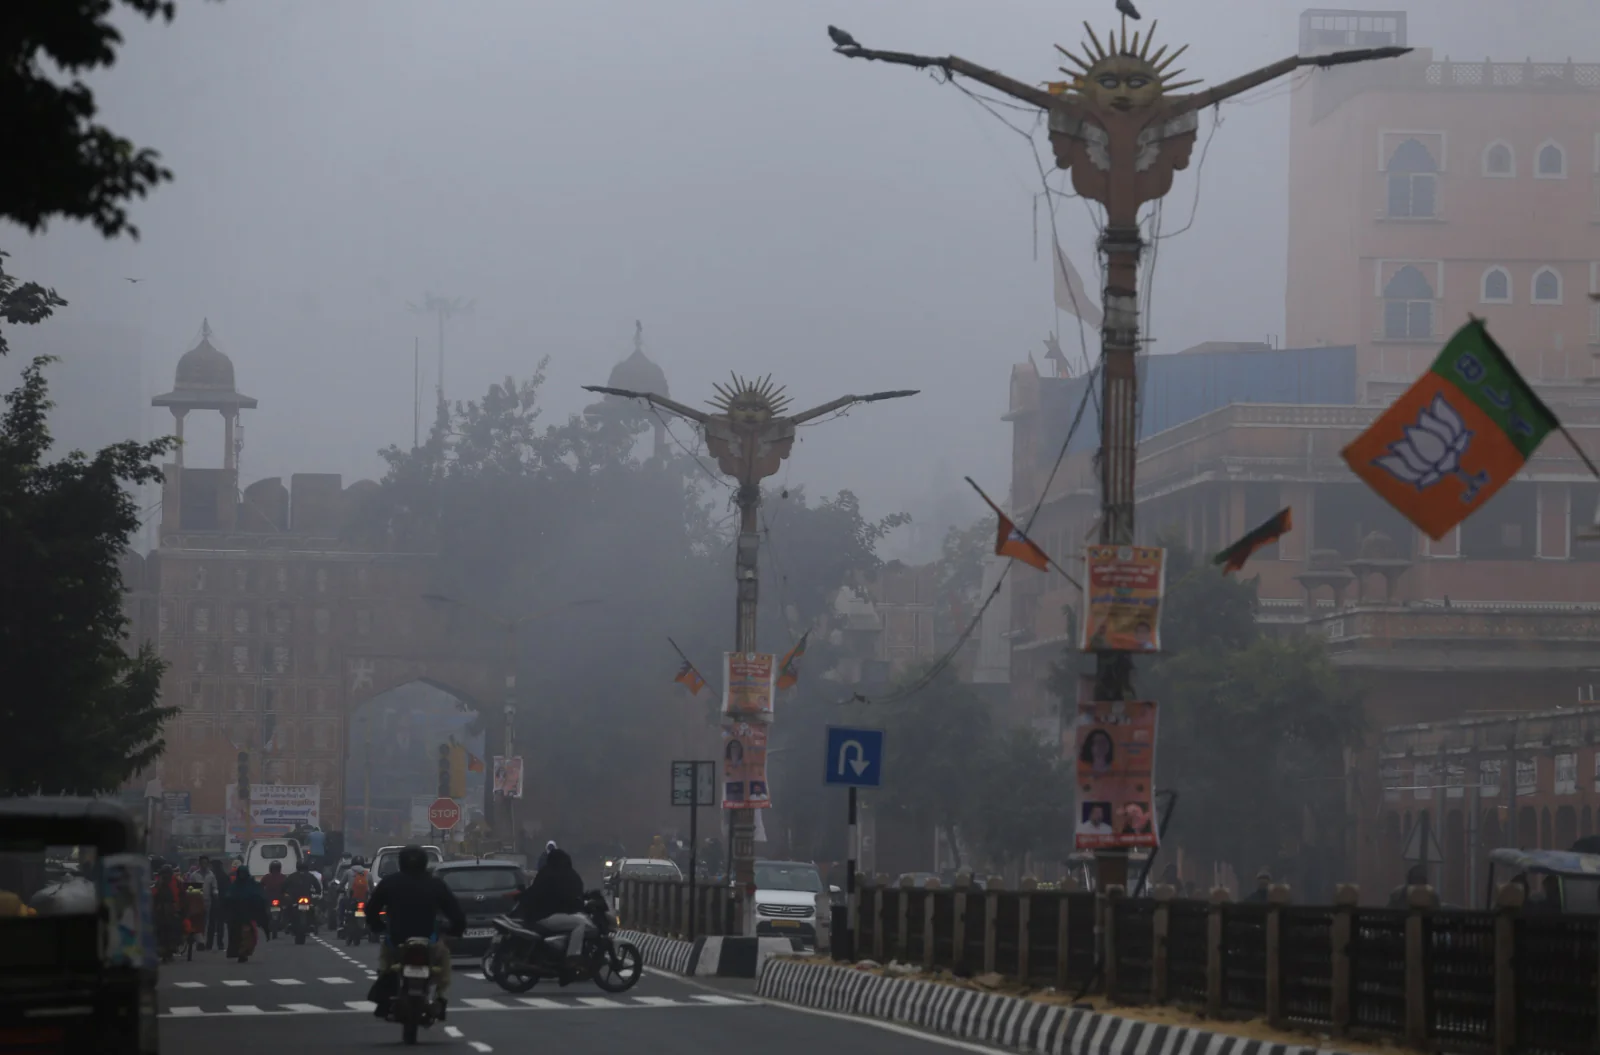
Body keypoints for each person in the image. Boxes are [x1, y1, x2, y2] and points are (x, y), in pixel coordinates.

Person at [366, 845, 466, 1020]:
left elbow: (372, 909)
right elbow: (455, 912)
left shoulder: (389, 882)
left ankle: (384, 999)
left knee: (385, 964)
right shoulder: (436, 884)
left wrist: (377, 926)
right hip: (430, 940)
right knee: (444, 963)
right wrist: (456, 929)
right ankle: (441, 998)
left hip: (396, 941)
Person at [518, 848, 593, 978]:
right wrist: (579, 904)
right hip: (546, 916)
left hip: (535, 915)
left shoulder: (545, 872)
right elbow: (566, 897)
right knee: (580, 924)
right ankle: (572, 957)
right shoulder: (562, 876)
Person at [226, 866, 270, 962]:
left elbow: (260, 897)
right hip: (237, 917)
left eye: (243, 873)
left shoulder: (252, 885)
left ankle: (244, 952)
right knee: (238, 936)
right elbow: (229, 897)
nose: (242, 876)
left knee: (249, 936)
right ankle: (240, 952)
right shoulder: (235, 885)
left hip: (249, 915)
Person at [284, 860, 324, 929]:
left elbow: (284, 886)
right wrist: (318, 892)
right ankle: (312, 923)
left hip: (296, 898)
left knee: (289, 908)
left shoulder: (292, 876)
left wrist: (285, 893)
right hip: (307, 897)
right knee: (312, 908)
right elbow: (317, 886)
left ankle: (289, 923)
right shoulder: (310, 876)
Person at [207, 859, 231, 951]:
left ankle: (209, 944)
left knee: (212, 924)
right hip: (221, 903)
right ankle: (220, 944)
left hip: (213, 903)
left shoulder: (211, 876)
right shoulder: (224, 876)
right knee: (219, 925)